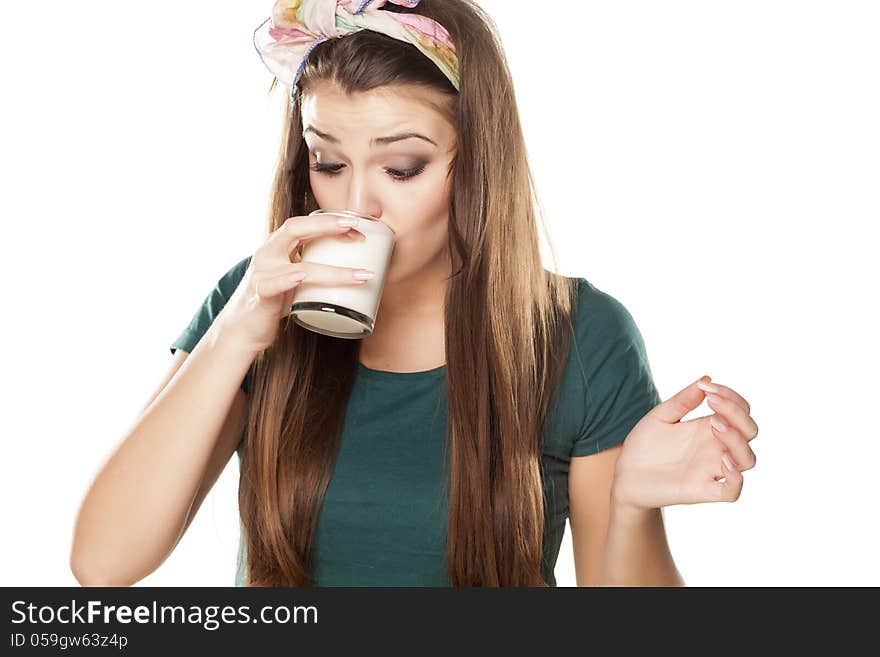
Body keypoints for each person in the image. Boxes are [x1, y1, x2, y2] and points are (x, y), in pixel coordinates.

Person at [70, 0, 760, 587]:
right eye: (328, 162)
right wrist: (234, 334)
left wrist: (633, 504)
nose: (357, 204)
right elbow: (101, 564)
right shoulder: (255, 304)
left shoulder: (580, 335)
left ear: (475, 167)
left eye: (402, 167)